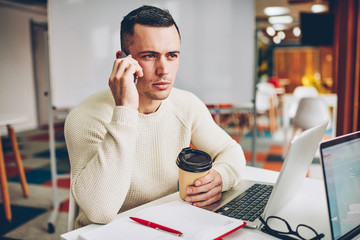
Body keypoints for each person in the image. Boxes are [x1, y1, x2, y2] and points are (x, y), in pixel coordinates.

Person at [65, 5, 246, 229]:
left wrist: (220, 177)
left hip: (169, 226)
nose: (163, 70)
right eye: (150, 56)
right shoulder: (85, 117)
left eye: (172, 56)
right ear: (122, 60)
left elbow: (231, 151)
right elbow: (100, 211)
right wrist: (126, 110)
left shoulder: (186, 104)